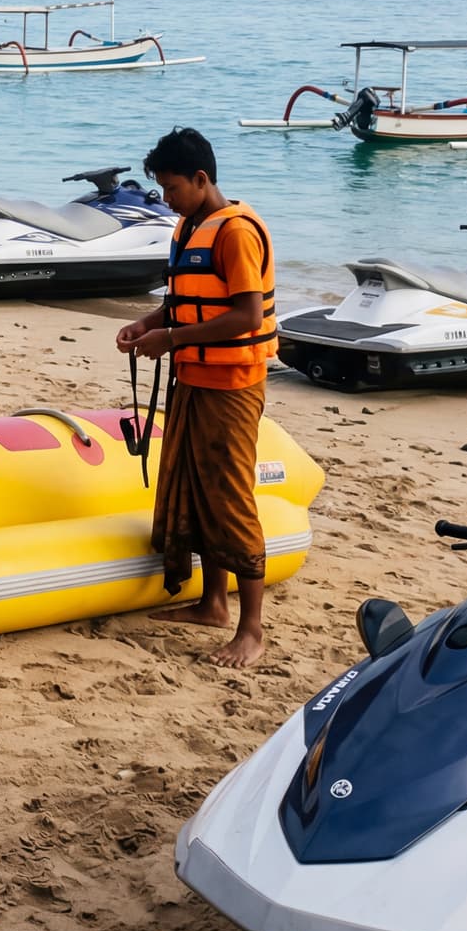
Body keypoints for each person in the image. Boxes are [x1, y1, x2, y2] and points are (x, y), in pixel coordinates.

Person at [115, 126, 277, 669]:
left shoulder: (235, 233)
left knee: (229, 494)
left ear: (201, 179)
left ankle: (251, 629)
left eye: (171, 188)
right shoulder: (189, 226)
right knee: (194, 484)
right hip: (195, 378)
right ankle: (211, 603)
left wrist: (172, 340)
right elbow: (183, 303)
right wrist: (147, 323)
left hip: (232, 385)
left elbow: (247, 316)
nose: (166, 198)